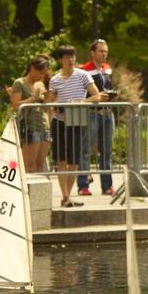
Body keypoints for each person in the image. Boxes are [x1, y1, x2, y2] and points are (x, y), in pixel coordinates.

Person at [48, 45, 106, 207]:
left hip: (76, 120)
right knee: (61, 160)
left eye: (72, 56)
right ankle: (65, 197)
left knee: (73, 161)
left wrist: (81, 101)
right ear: (61, 60)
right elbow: (50, 103)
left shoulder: (83, 75)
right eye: (67, 57)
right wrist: (54, 105)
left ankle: (68, 196)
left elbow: (97, 96)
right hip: (59, 121)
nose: (70, 60)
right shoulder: (55, 79)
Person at [76, 39, 115, 196]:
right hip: (91, 112)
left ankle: (107, 185)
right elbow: (81, 92)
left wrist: (112, 95)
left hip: (107, 112)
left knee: (106, 151)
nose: (104, 54)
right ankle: (83, 185)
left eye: (106, 51)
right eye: (101, 51)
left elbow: (108, 87)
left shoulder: (108, 68)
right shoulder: (84, 70)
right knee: (86, 150)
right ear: (92, 53)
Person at [8, 54, 51, 172]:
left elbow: (46, 108)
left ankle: (39, 190)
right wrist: (34, 98)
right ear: (32, 68)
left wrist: (48, 98)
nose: (41, 76)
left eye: (44, 74)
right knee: (29, 164)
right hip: (29, 128)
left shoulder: (40, 84)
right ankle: (27, 189)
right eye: (40, 73)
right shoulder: (19, 83)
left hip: (44, 127)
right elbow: (15, 105)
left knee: (40, 164)